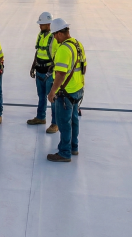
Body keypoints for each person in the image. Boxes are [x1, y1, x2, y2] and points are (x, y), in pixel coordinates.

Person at [46, 18, 87, 162]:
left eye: (54, 35)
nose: (54, 38)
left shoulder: (64, 49)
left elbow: (61, 74)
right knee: (74, 120)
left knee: (64, 123)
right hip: (78, 89)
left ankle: (64, 152)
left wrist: (52, 92)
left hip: (66, 92)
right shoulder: (77, 44)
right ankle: (73, 147)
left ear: (59, 34)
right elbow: (84, 67)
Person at [27, 12, 59, 133]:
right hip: (39, 70)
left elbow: (58, 55)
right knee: (41, 97)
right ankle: (41, 117)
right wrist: (33, 65)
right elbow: (38, 51)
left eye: (42, 24)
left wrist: (53, 68)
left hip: (49, 73)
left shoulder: (54, 38)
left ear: (49, 24)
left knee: (52, 98)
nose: (40, 26)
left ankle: (55, 123)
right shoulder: (40, 35)